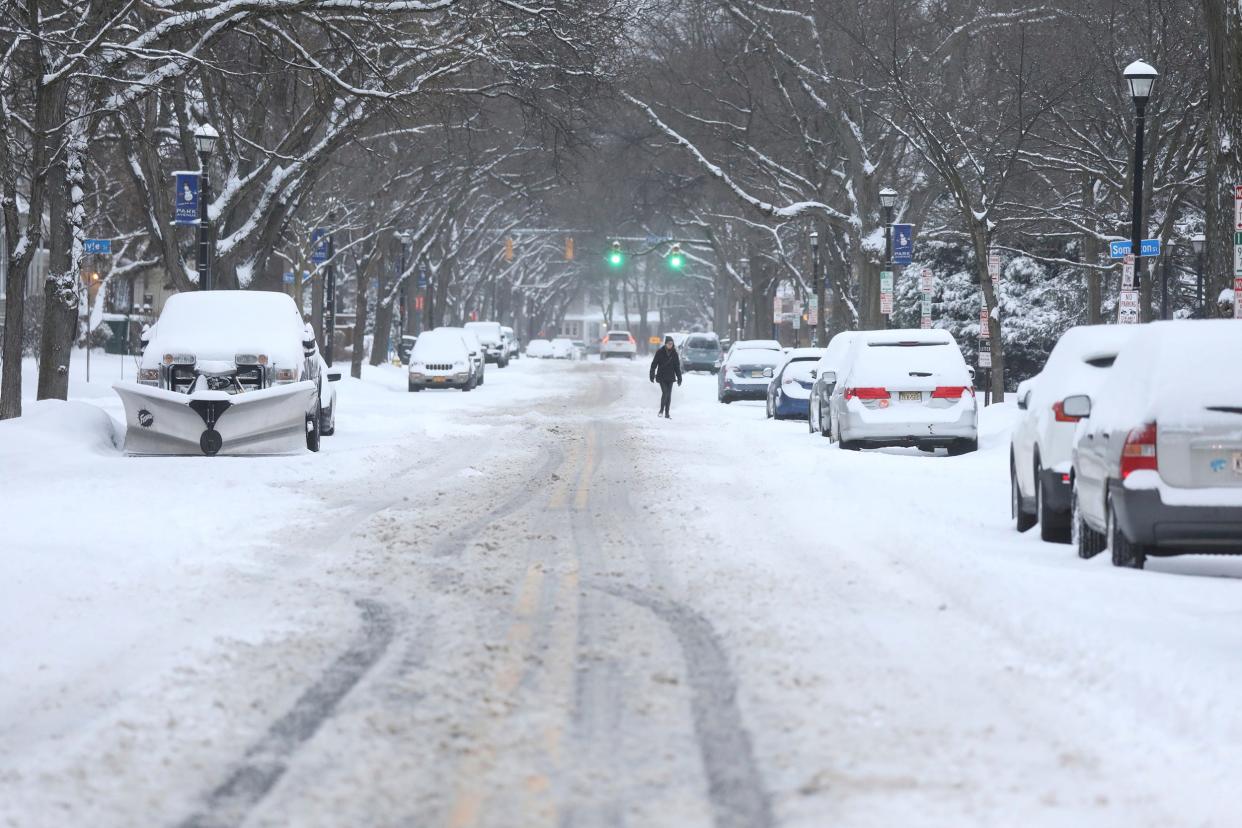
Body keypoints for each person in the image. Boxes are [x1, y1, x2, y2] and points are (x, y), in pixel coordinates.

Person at [649, 335, 683, 418]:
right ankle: (661, 410)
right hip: (661, 376)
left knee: (669, 394)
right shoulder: (660, 352)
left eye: (671, 344)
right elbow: (654, 364)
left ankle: (667, 413)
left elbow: (677, 367)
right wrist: (652, 374)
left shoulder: (675, 353)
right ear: (665, 344)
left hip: (670, 377)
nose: (670, 345)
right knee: (665, 392)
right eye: (668, 343)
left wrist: (679, 378)